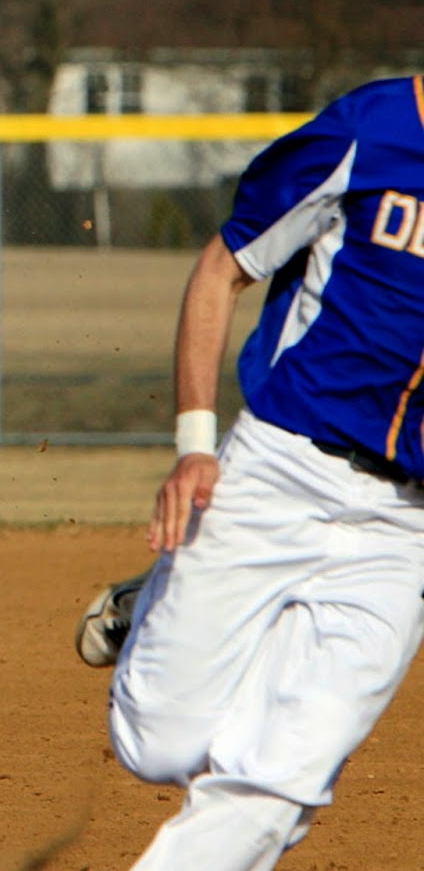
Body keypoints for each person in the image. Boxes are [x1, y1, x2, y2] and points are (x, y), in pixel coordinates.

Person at [75, 76, 424, 869]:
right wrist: (195, 446)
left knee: (283, 774)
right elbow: (223, 268)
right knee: (158, 743)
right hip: (280, 468)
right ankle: (149, 602)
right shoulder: (373, 131)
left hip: (404, 527)